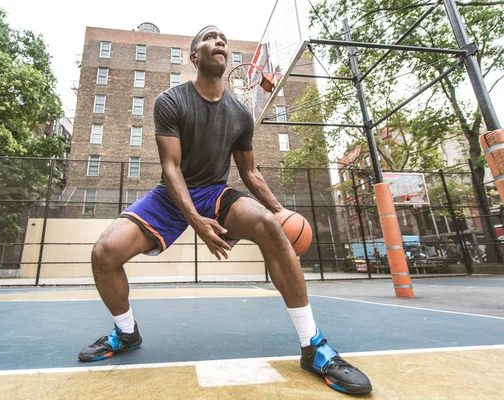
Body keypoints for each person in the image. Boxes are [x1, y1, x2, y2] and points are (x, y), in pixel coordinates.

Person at [77, 25, 372, 395]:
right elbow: (171, 168)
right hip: (171, 194)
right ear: (194, 56)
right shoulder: (170, 101)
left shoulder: (239, 115)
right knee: (104, 252)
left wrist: (280, 214)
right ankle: (126, 333)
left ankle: (313, 346)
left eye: (224, 39)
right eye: (210, 37)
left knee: (267, 224)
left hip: (214, 192)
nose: (220, 41)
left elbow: (249, 171)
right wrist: (195, 221)